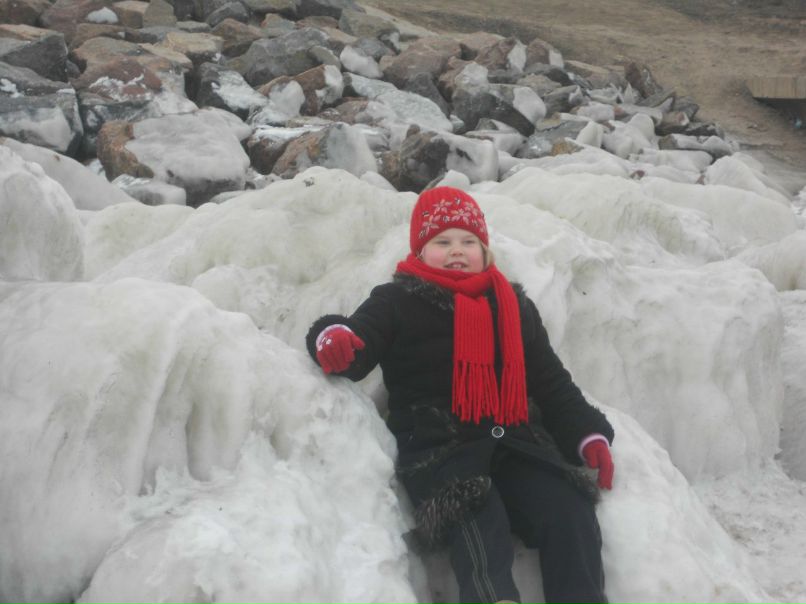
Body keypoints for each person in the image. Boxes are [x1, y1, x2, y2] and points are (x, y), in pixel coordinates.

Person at [305, 186, 615, 604]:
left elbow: (549, 381)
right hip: (441, 452)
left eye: (469, 241)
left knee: (569, 510)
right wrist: (333, 337)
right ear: (420, 251)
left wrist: (587, 433)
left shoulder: (513, 305)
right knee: (477, 521)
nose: (457, 251)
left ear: (484, 250)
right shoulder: (396, 300)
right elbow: (360, 341)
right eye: (442, 242)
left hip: (517, 444)